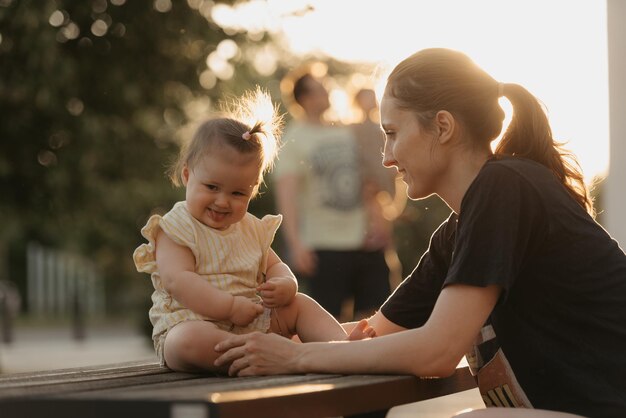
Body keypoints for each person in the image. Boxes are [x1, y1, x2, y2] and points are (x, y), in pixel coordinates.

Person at [214, 49, 626, 418]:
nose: (387, 157)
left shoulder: (504, 188)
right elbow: (368, 337)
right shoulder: (459, 232)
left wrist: (296, 359)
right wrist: (256, 336)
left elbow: (437, 352)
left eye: (392, 133)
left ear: (443, 127)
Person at [133, 88, 374, 373]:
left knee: (300, 305)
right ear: (187, 175)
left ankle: (341, 349)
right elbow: (179, 281)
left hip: (252, 321)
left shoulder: (250, 229)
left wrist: (285, 285)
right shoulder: (177, 227)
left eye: (237, 193)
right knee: (185, 341)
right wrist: (229, 308)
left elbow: (276, 266)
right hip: (193, 322)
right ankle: (264, 357)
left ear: (254, 190)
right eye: (212, 187)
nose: (222, 201)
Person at [273, 71, 391, 320]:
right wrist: (295, 245)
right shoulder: (294, 138)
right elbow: (287, 195)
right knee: (329, 324)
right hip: (324, 246)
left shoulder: (346, 131)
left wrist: (380, 223)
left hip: (364, 240)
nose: (327, 93)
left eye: (326, 87)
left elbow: (366, 183)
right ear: (304, 98)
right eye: (319, 89)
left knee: (376, 319)